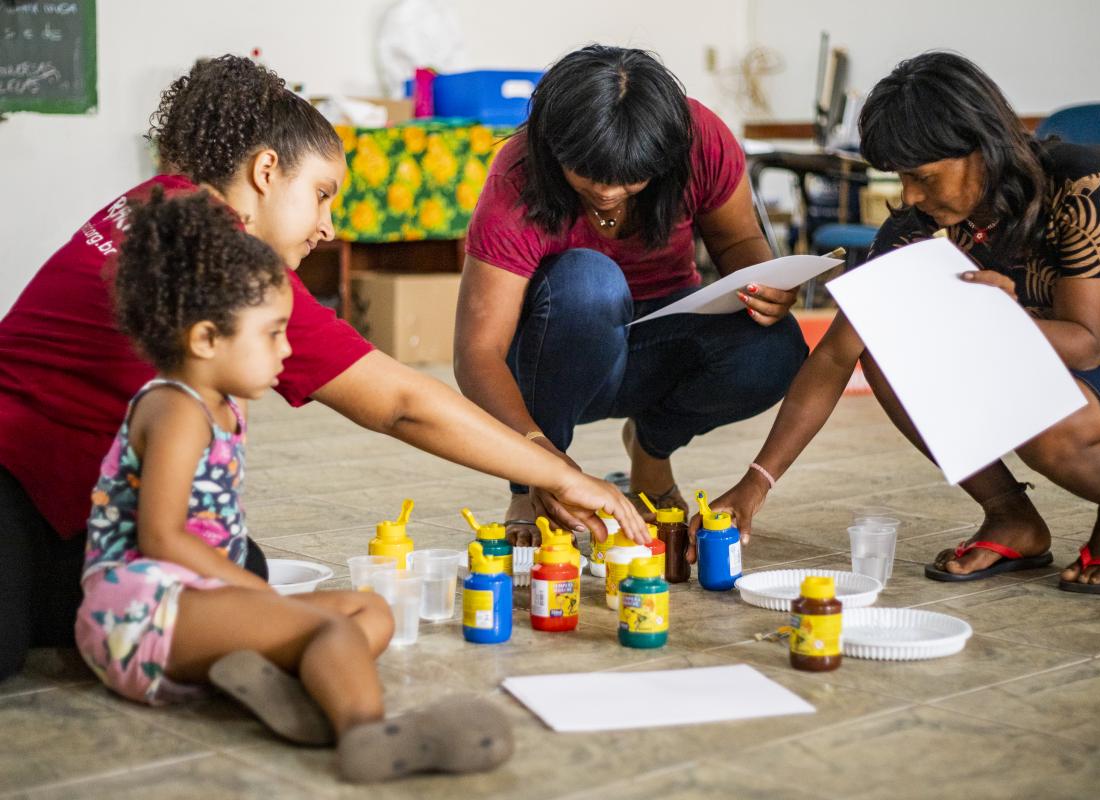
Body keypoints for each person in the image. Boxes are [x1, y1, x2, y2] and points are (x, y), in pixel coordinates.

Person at [0, 54, 646, 683]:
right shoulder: (219, 261)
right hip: (16, 480)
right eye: (321, 195)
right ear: (265, 171)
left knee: (238, 569)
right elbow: (399, 404)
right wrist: (561, 475)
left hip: (77, 494)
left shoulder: (161, 208)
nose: (328, 228)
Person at [697, 52, 1100, 593]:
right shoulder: (919, 223)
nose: (910, 195)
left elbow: (1083, 347)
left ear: (981, 147)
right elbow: (837, 355)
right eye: (902, 178)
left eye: (922, 176)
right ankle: (1010, 514)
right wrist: (757, 482)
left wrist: (1002, 318)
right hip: (1047, 390)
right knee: (879, 348)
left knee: (1037, 410)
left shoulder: (1083, 184)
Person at [75, 190, 511, 783]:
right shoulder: (176, 409)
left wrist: (258, 604)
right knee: (329, 627)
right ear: (205, 339)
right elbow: (162, 538)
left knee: (371, 610)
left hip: (191, 602)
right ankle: (365, 732)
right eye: (273, 333)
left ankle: (289, 691)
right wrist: (262, 599)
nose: (286, 348)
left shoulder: (221, 401)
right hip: (142, 612)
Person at [455, 45, 809, 544]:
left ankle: (651, 449)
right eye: (587, 172)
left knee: (776, 348)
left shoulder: (700, 140)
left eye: (631, 178)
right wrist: (539, 460)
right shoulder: (518, 178)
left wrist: (765, 281)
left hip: (662, 342)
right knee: (589, 283)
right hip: (556, 357)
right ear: (553, 146)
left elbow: (736, 241)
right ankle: (529, 488)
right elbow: (477, 353)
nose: (607, 192)